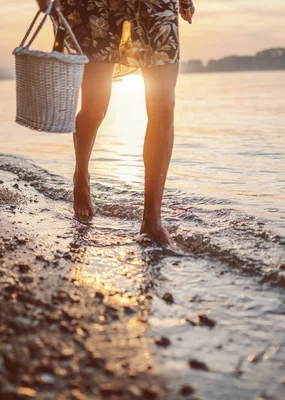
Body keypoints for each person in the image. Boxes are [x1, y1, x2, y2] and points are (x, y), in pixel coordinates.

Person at [35, 0, 195, 246]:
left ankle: (152, 220)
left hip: (156, 7)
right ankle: (81, 175)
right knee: (95, 108)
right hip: (100, 7)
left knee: (164, 106)